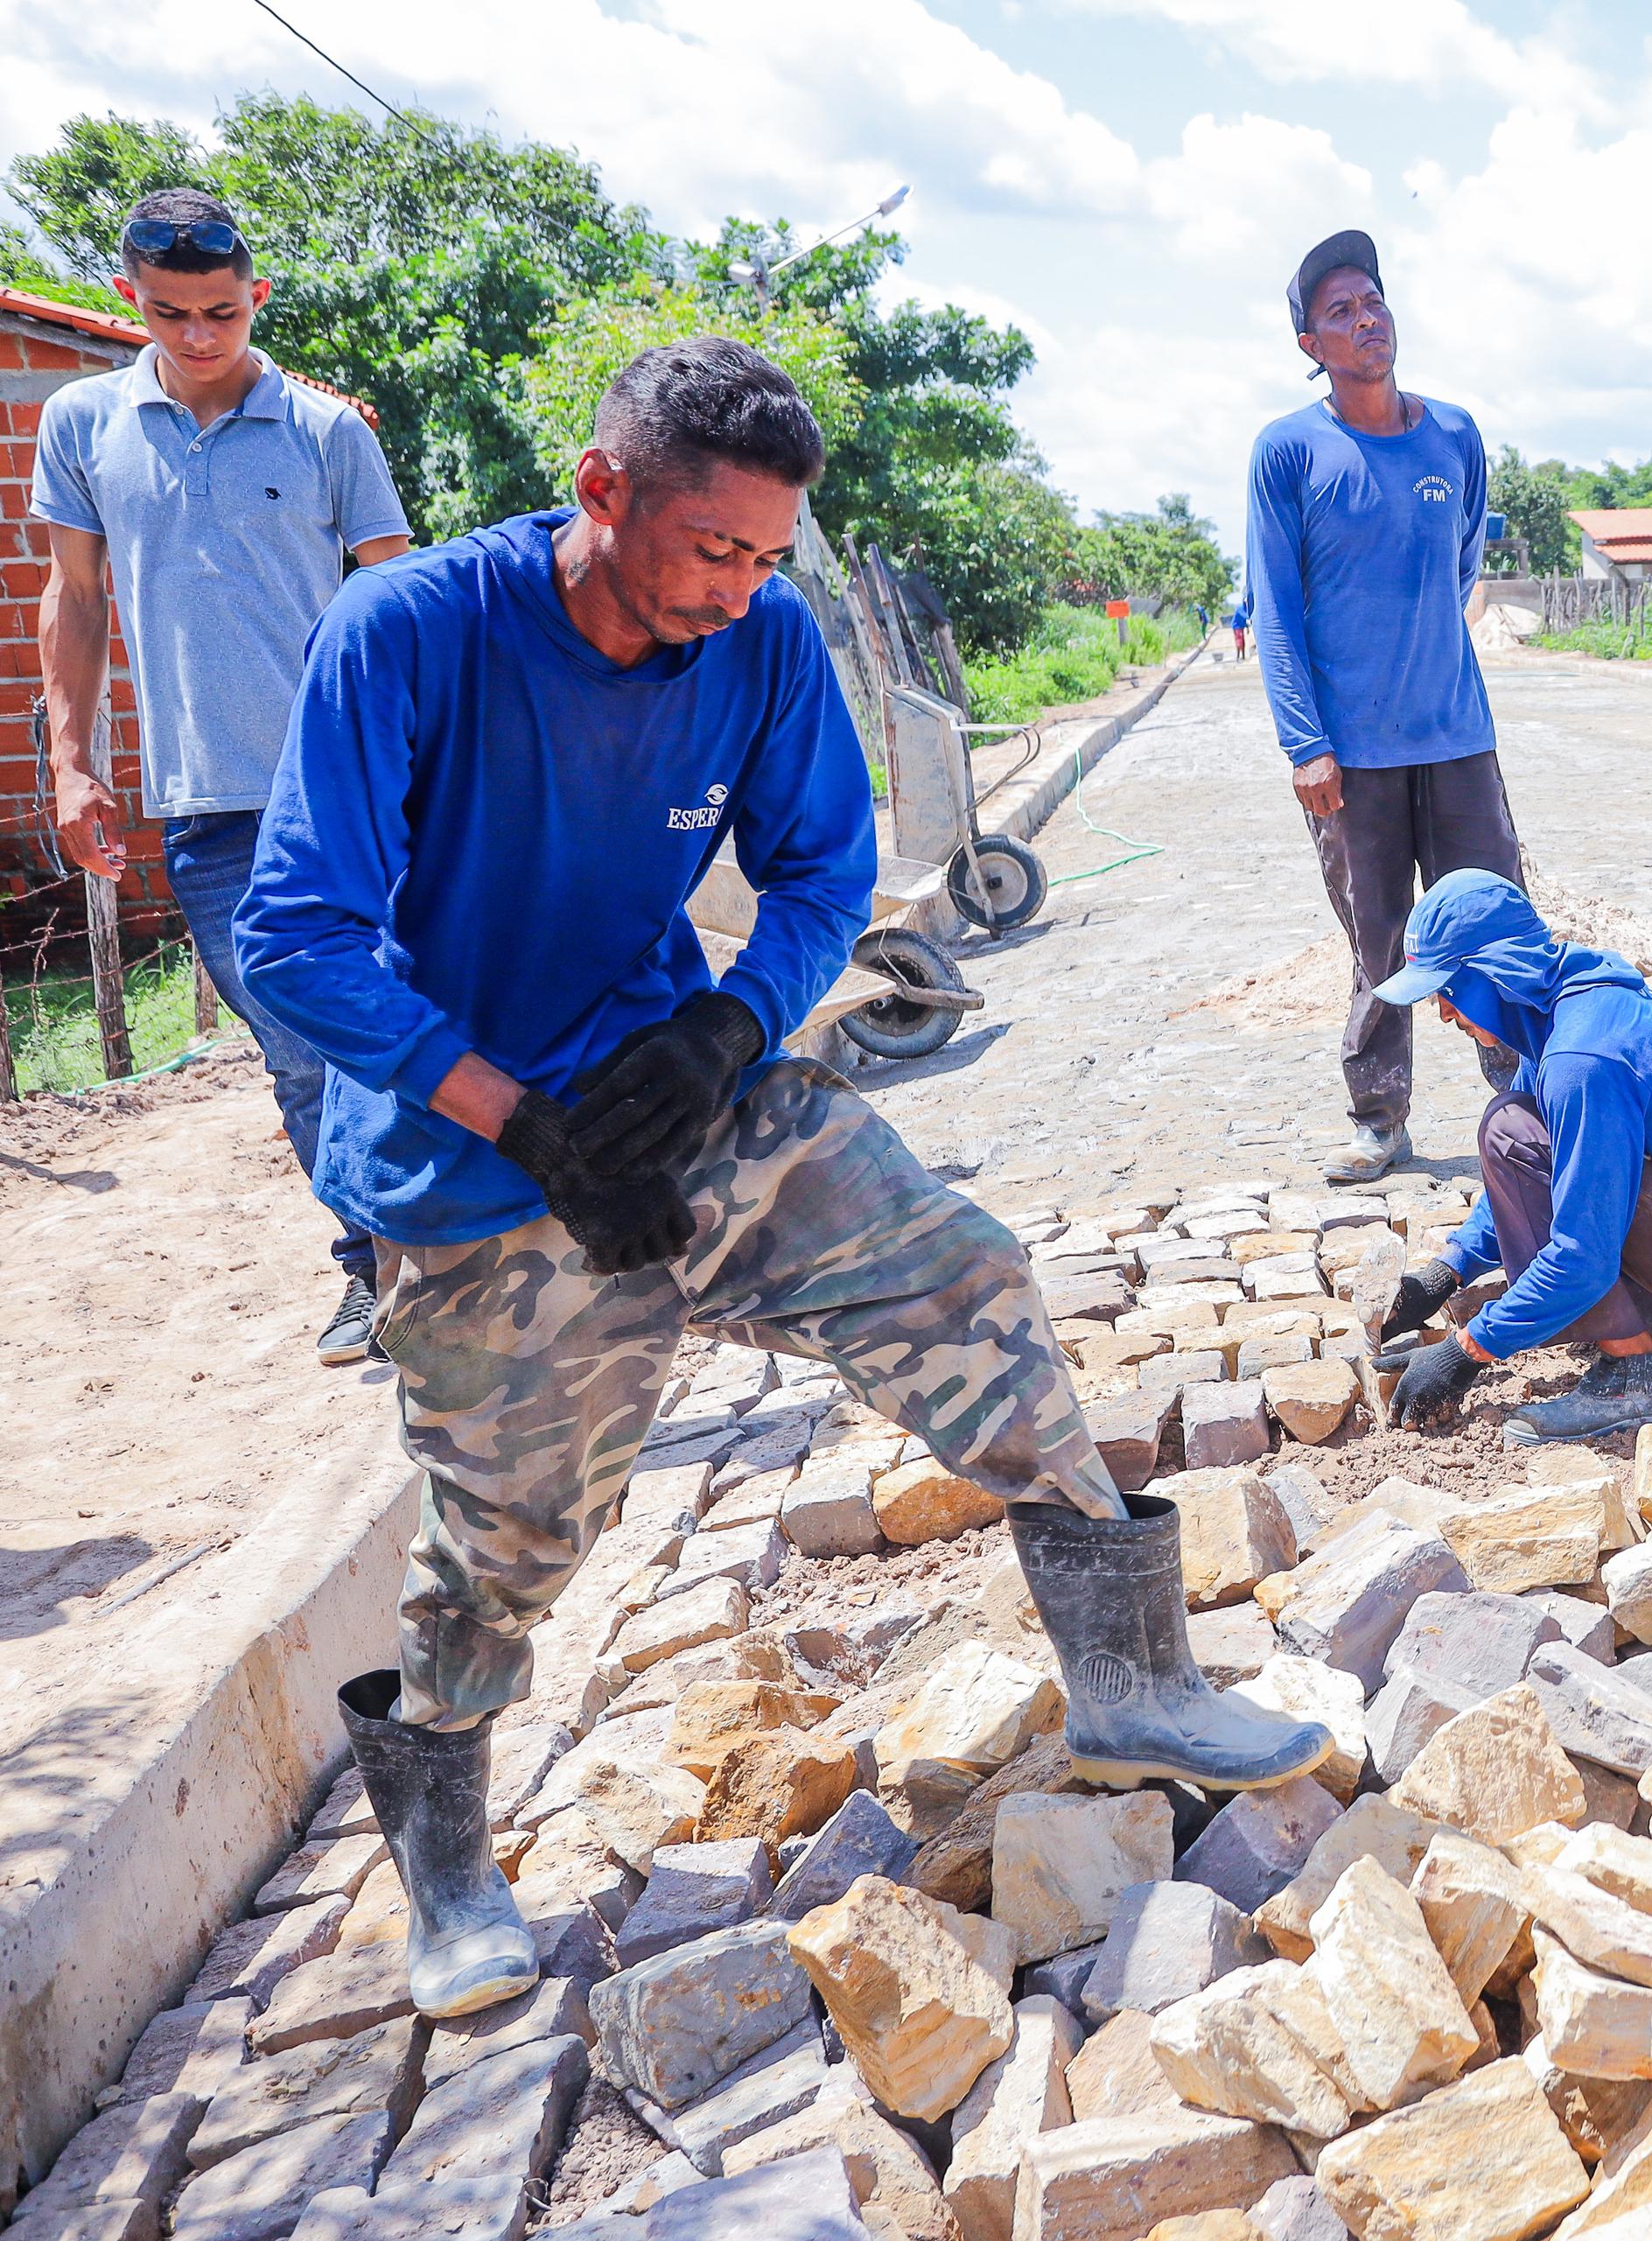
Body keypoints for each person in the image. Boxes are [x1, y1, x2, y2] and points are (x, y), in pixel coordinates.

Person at [233, 335, 1327, 2020]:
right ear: (603, 493)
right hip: (474, 1171)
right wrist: (518, 1121)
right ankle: (449, 1860)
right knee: (507, 1543)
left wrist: (731, 1027)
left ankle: (1136, 1676)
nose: (740, 592)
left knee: (964, 1278)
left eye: (766, 557)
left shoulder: (762, 643)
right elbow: (293, 936)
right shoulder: (410, 636)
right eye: (711, 550)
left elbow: (823, 871)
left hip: (694, 1105)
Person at [36, 186, 414, 1364]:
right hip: (204, 805)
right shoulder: (81, 425)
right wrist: (72, 765)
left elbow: (400, 596)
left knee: (409, 1023)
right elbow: (77, 599)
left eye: (219, 311)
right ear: (128, 302)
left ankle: (458, 1254)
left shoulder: (325, 430)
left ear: (256, 295)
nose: (198, 337)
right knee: (297, 1055)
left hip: (354, 789)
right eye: (169, 314)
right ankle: (369, 1267)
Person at [1245, 228, 1524, 1185]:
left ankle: (1525, 1092)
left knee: (1492, 921)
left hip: (1456, 737)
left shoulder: (1453, 433)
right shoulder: (1287, 452)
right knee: (1379, 937)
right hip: (1348, 757)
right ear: (1309, 346)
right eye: (1338, 312)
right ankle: (1378, 1115)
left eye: (1371, 301)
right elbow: (1275, 610)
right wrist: (1304, 742)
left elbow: (1458, 572)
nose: (1364, 320)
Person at [1368, 872, 1652, 1442]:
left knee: (1508, 1133)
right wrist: (1447, 1272)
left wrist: (1466, 1352)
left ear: (1493, 975)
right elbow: (1539, 1170)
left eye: (1447, 990)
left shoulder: (1582, 1059)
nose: (1442, 1013)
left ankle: (1635, 1375)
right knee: (1520, 1130)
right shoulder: (1570, 1003)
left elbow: (1581, 1254)